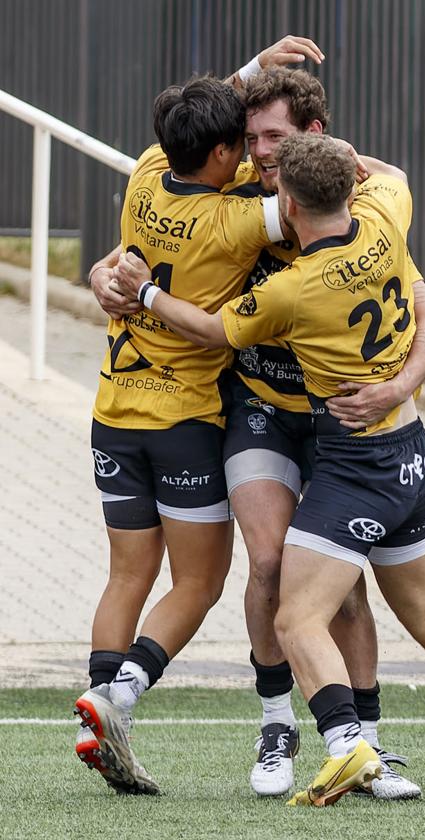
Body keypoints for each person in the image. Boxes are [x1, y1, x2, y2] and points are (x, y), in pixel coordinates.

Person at [112, 132, 425, 805]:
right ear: (353, 185)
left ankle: (348, 747)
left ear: (286, 203)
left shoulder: (292, 290)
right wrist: (343, 156)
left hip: (357, 465)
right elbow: (395, 169)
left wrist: (144, 292)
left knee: (296, 619)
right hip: (415, 456)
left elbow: (210, 330)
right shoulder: (385, 215)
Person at [74, 73, 291, 796]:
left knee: (126, 575)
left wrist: (252, 68)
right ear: (226, 152)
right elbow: (306, 204)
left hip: (112, 411)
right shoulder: (237, 221)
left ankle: (97, 719)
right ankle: (120, 694)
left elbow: (197, 111)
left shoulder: (145, 172)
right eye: (244, 147)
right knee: (197, 583)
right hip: (186, 424)